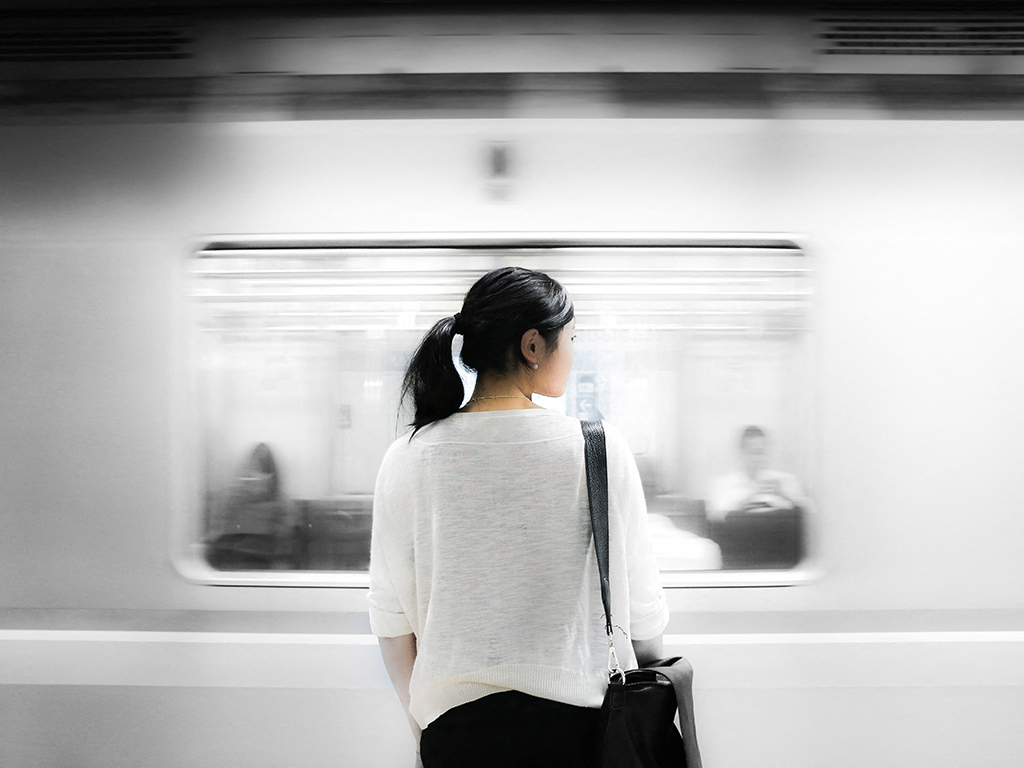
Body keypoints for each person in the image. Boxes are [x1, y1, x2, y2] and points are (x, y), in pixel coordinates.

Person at [368, 267, 684, 768]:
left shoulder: (407, 456)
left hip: (455, 737)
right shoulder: (597, 449)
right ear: (533, 345)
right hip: (582, 733)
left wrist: (426, 729)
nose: (574, 351)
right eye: (571, 338)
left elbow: (391, 620)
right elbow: (641, 611)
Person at [206, 443, 295, 570]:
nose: (254, 477)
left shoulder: (281, 505)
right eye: (251, 470)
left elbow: (284, 550)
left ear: (271, 476)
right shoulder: (233, 500)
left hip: (264, 570)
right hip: (232, 567)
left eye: (261, 471)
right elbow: (218, 542)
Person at [707, 425, 804, 522]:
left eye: (761, 452)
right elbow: (715, 518)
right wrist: (749, 497)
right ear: (741, 453)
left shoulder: (783, 481)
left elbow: (809, 514)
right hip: (738, 534)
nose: (757, 459)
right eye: (751, 452)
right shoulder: (723, 485)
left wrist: (783, 495)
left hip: (778, 534)